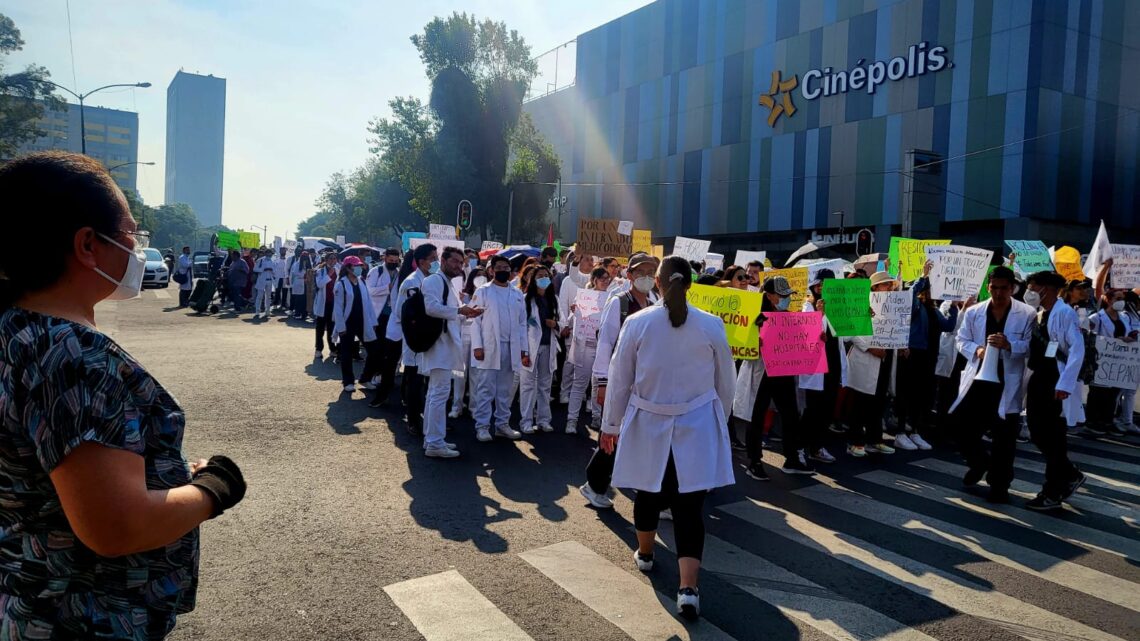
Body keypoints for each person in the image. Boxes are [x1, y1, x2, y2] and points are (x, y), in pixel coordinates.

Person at [0, 151, 246, 638]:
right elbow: (115, 526)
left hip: (33, 599)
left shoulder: (17, 331)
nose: (137, 250)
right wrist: (213, 489)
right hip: (84, 617)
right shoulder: (76, 358)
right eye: (133, 235)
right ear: (88, 244)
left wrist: (165, 473)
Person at [599, 255, 735, 621]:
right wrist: (718, 421)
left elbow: (620, 377)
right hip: (697, 426)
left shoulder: (638, 322)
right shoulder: (710, 324)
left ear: (657, 283)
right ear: (690, 283)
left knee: (647, 492)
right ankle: (688, 588)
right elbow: (727, 382)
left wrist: (609, 425)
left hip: (649, 422)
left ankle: (645, 554)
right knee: (690, 507)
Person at [949, 266, 1035, 503]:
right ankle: (979, 463)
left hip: (1007, 382)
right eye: (994, 288)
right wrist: (975, 349)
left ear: (1012, 288)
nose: (998, 293)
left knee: (1005, 437)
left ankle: (1000, 484)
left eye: (1003, 288)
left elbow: (1029, 345)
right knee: (962, 428)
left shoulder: (1027, 313)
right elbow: (960, 339)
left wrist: (1010, 345)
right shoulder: (975, 311)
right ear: (988, 287)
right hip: (979, 380)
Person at [580, 254, 660, 507]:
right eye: (640, 272)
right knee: (613, 433)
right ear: (629, 276)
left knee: (638, 434)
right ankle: (594, 484)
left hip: (646, 380)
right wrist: (602, 382)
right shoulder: (619, 303)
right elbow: (605, 344)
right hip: (621, 379)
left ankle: (649, 490)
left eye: (651, 271)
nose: (646, 276)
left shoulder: (656, 301)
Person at [733, 275, 816, 479]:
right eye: (782, 295)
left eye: (787, 295)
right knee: (757, 414)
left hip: (783, 370)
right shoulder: (756, 315)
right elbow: (741, 342)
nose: (786, 298)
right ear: (769, 296)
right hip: (761, 371)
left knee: (790, 414)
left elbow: (801, 343)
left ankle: (792, 458)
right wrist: (757, 341)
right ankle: (754, 461)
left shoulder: (788, 316)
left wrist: (816, 336)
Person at [1022, 270, 1086, 510]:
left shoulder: (1064, 313)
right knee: (1039, 433)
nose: (1029, 293)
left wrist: (1065, 384)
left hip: (1055, 381)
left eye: (1032, 288)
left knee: (1052, 436)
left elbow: (1077, 350)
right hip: (1039, 379)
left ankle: (1053, 490)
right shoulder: (1040, 315)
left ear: (1045, 289)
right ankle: (1068, 474)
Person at [420, 247, 483, 458]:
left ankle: (432, 439)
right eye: (455, 261)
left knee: (435, 394)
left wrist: (468, 313)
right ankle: (434, 443)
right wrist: (459, 310)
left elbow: (451, 314)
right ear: (443, 261)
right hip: (439, 345)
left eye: (461, 262)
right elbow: (431, 308)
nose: (459, 266)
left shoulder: (447, 284)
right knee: (439, 394)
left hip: (446, 345)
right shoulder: (433, 281)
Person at [894, 260, 958, 450]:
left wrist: (954, 307)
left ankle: (914, 431)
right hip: (913, 353)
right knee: (906, 393)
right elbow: (910, 294)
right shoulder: (915, 307)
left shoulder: (934, 310)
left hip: (929, 357)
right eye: (929, 290)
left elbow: (949, 326)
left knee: (921, 395)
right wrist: (923, 277)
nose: (931, 293)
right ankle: (899, 432)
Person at [845, 271, 904, 457]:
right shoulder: (860, 302)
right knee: (860, 403)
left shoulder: (892, 306)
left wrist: (901, 345)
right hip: (865, 359)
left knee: (878, 402)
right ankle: (855, 442)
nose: (889, 288)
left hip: (884, 360)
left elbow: (897, 329)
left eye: (890, 285)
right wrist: (870, 348)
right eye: (885, 285)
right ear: (875, 287)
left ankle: (875, 440)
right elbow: (851, 332)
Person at [470, 255, 527, 442]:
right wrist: (477, 346)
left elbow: (522, 324)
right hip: (489, 347)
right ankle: (482, 426)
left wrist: (523, 348)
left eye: (506, 267)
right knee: (485, 388)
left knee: (505, 390)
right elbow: (474, 320)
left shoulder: (517, 294)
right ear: (492, 270)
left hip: (511, 348)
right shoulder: (483, 291)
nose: (503, 270)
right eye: (500, 267)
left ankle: (502, 424)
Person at [386, 244, 437, 435]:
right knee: (414, 379)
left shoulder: (431, 280)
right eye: (433, 258)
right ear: (421, 261)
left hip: (428, 338)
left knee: (424, 379)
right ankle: (413, 420)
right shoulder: (412, 282)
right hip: (415, 338)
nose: (436, 262)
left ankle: (425, 415)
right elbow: (402, 312)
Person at [798, 269, 846, 463]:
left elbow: (847, 336)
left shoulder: (839, 308)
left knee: (827, 408)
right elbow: (808, 334)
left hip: (833, 364)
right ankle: (800, 447)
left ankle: (817, 447)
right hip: (816, 365)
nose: (822, 288)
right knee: (812, 409)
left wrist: (864, 318)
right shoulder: (808, 306)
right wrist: (819, 314)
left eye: (827, 286)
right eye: (820, 285)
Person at [1085, 275, 1138, 436]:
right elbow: (1087, 335)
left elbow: (1130, 333)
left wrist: (1129, 338)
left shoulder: (1124, 317)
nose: (1121, 301)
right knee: (1098, 393)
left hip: (1118, 361)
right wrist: (1113, 340)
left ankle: (1107, 421)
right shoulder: (1097, 317)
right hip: (1101, 360)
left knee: (1112, 393)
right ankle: (1093, 422)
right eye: (1117, 298)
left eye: (1122, 298)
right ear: (1108, 300)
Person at [565, 266, 612, 434]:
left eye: (608, 278)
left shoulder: (612, 297)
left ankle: (597, 417)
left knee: (599, 385)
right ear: (594, 280)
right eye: (602, 278)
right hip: (586, 346)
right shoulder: (586, 297)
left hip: (604, 348)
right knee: (579, 384)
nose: (606, 281)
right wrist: (574, 311)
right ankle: (572, 420)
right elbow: (575, 321)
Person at [519, 264, 561, 434]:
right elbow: (520, 327)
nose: (543, 279)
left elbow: (563, 322)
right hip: (530, 347)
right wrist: (523, 351)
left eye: (546, 276)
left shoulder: (554, 300)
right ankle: (526, 421)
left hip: (548, 346)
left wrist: (556, 324)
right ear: (533, 279)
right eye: (539, 276)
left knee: (545, 385)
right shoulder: (525, 299)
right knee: (528, 385)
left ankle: (544, 420)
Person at [370, 251, 415, 409]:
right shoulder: (406, 279)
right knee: (391, 362)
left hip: (409, 327)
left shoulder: (413, 277)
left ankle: (405, 397)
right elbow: (397, 303)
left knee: (410, 365)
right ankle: (383, 394)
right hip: (397, 324)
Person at [332, 256, 379, 393]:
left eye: (359, 265)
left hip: (363, 321)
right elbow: (338, 308)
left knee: (373, 350)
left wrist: (373, 321)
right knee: (346, 353)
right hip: (347, 323)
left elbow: (368, 304)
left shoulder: (362, 282)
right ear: (348, 268)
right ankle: (348, 381)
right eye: (355, 266)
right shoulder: (341, 284)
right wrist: (341, 327)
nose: (359, 268)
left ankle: (365, 378)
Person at [558, 254, 596, 404]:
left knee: (589, 364)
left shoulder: (595, 281)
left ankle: (586, 396)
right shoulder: (569, 280)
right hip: (573, 327)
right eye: (586, 259)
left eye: (592, 259)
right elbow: (562, 303)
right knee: (570, 361)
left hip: (592, 329)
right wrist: (564, 325)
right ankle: (564, 392)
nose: (590, 262)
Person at [449, 267, 486, 418]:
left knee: (476, 374)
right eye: (478, 275)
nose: (481, 278)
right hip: (464, 334)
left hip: (480, 337)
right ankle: (456, 406)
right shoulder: (463, 295)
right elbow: (457, 316)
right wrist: (466, 306)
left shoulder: (487, 293)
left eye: (484, 275)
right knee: (460, 373)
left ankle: (475, 407)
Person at [364, 248, 401, 390]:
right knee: (376, 349)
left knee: (387, 349)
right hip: (377, 315)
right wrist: (387, 288)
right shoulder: (376, 271)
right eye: (390, 260)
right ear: (384, 258)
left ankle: (379, 375)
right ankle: (368, 376)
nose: (393, 263)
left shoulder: (398, 273)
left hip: (392, 316)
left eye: (395, 261)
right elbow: (370, 290)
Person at [313, 252, 339, 359]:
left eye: (334, 259)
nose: (333, 261)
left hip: (334, 303)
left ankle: (333, 349)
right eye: (330, 259)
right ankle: (318, 349)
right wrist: (329, 275)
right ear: (326, 260)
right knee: (320, 329)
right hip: (323, 304)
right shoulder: (321, 271)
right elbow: (319, 284)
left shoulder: (339, 270)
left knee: (332, 328)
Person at [253, 248, 276, 320]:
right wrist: (263, 269)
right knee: (259, 296)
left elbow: (275, 270)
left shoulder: (273, 261)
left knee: (268, 297)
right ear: (266, 253)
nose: (270, 255)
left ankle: (267, 311)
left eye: (271, 254)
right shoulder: (260, 260)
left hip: (269, 280)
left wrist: (272, 270)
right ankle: (257, 311)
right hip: (261, 280)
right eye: (268, 253)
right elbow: (255, 269)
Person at [289, 246, 310, 320]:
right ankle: (297, 313)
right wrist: (304, 275)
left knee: (305, 300)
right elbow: (295, 272)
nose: (305, 259)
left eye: (306, 258)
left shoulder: (308, 263)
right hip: (299, 282)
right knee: (298, 299)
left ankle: (304, 314)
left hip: (306, 284)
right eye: (304, 258)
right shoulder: (297, 264)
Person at [272, 246, 290, 310]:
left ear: (285, 252)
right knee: (277, 291)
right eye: (282, 250)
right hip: (278, 277)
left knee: (285, 291)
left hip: (285, 277)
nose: (283, 252)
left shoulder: (288, 259)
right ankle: (275, 303)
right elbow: (273, 269)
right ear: (279, 251)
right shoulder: (276, 260)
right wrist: (274, 276)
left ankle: (283, 305)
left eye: (284, 250)